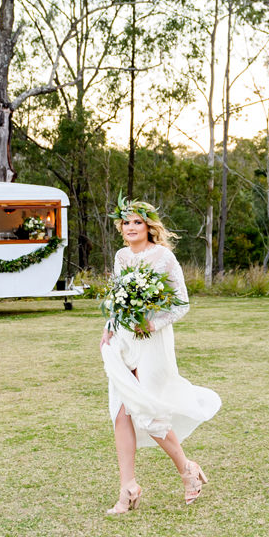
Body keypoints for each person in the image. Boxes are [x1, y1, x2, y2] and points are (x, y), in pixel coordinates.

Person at [100, 197, 221, 514]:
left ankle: (187, 470)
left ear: (148, 226)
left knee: (147, 411)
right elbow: (118, 299)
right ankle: (128, 489)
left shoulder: (164, 257)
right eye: (126, 222)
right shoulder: (122, 256)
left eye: (137, 222)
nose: (130, 227)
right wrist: (109, 327)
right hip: (124, 340)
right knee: (121, 412)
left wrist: (152, 323)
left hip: (151, 343)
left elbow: (181, 304)